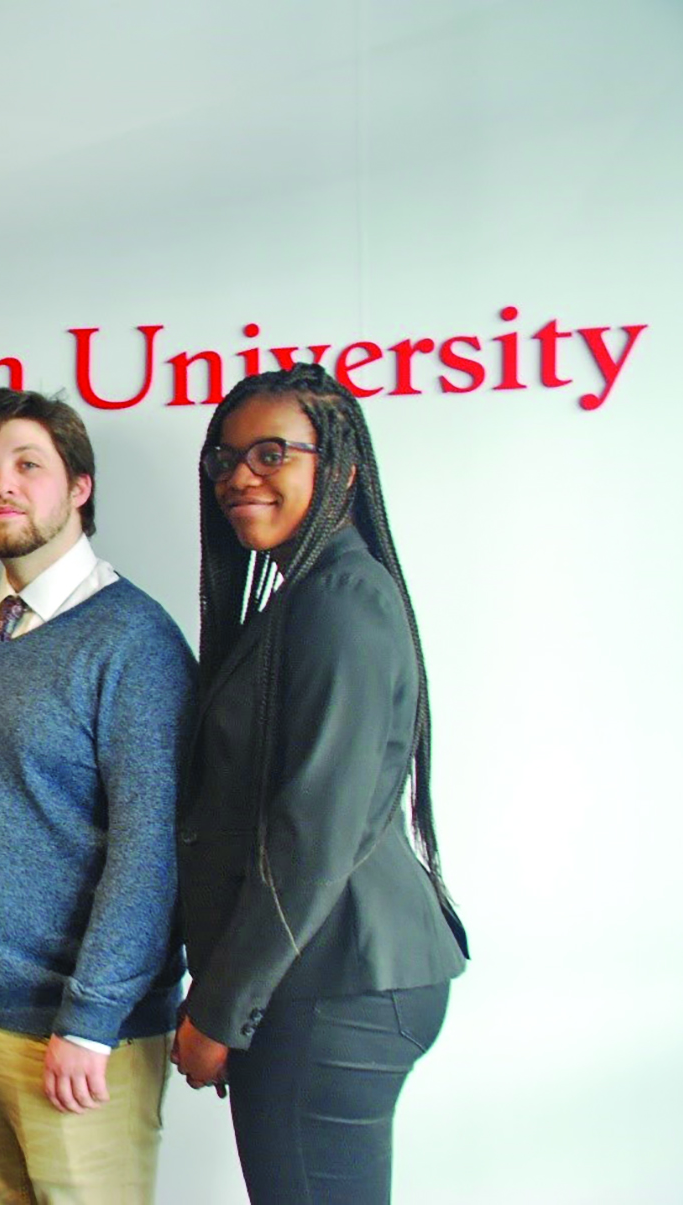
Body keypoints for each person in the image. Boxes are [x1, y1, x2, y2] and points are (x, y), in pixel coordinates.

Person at [170, 363, 469, 1204]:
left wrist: (217, 1011)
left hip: (337, 986)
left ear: (337, 465)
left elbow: (309, 838)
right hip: (326, 977)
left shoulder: (340, 598)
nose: (239, 477)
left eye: (271, 453)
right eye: (224, 460)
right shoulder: (305, 594)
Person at [0, 388, 194, 1205]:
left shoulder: (136, 640)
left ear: (79, 486)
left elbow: (152, 847)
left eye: (27, 465)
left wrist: (91, 1017)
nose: (2, 485)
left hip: (76, 1039)